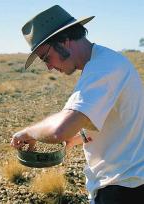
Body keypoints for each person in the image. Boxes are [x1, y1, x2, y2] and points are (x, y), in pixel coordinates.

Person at [11, 5, 144, 204]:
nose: (48, 66)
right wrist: (79, 137)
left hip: (123, 189)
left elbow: (59, 131)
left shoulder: (102, 69)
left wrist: (28, 132)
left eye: (46, 57)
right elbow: (109, 117)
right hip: (125, 183)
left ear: (64, 40)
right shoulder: (104, 61)